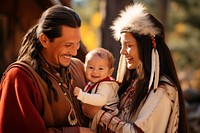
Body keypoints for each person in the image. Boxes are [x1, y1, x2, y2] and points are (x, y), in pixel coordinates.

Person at [83, 3, 189, 133]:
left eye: (128, 45)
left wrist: (99, 115)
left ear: (146, 46)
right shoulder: (131, 84)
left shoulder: (162, 89)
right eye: (122, 45)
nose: (122, 52)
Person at [0, 5, 94, 133]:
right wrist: (76, 132)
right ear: (44, 40)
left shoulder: (78, 67)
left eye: (77, 43)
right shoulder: (19, 77)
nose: (74, 52)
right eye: (68, 45)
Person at [73, 48, 119, 120]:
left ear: (110, 72)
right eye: (91, 67)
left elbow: (101, 100)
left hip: (108, 121)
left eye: (100, 69)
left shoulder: (105, 85)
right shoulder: (92, 83)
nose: (95, 71)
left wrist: (82, 95)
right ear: (84, 68)